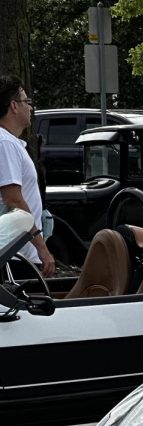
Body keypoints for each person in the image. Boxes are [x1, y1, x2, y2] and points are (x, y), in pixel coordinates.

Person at [0, 76, 54, 276]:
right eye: (26, 101)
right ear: (14, 106)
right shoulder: (5, 144)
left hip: (16, 255)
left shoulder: (10, 143)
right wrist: (42, 248)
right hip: (14, 257)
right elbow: (13, 199)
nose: (30, 108)